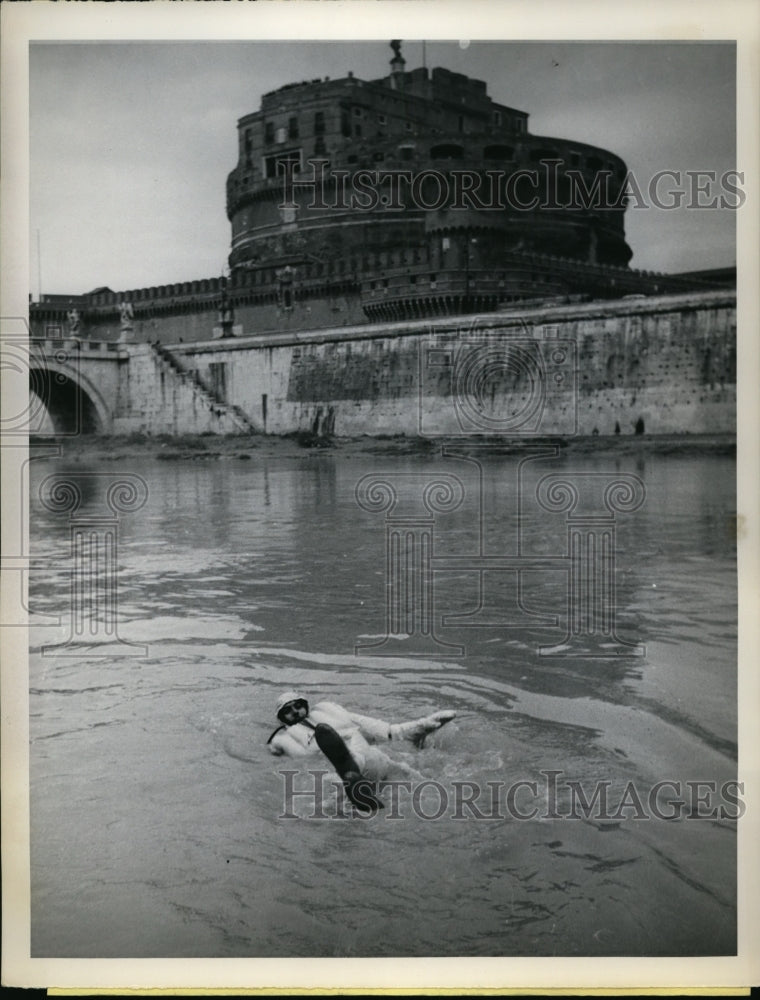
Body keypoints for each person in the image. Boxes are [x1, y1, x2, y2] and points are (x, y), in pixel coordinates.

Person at [267, 689, 456, 783]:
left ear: (305, 704)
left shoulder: (327, 711)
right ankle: (350, 771)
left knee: (407, 769)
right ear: (282, 718)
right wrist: (275, 747)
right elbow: (297, 758)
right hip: (339, 771)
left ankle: (420, 728)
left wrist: (416, 728)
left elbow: (380, 729)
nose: (295, 711)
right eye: (288, 711)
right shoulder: (284, 736)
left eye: (297, 706)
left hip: (369, 755)